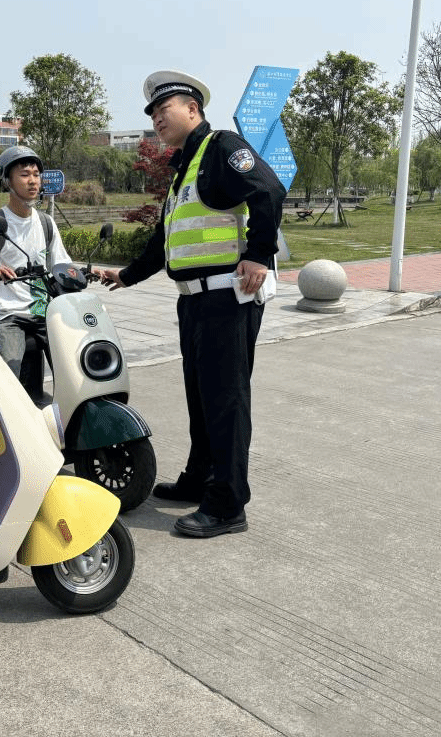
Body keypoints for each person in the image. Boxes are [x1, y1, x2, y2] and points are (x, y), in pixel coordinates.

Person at [96, 70, 285, 538]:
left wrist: (260, 253)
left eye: (164, 109)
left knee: (226, 402)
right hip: (195, 303)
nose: (157, 119)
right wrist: (127, 275)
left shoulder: (221, 147)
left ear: (193, 109)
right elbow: (167, 239)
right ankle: (200, 479)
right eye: (153, 114)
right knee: (201, 399)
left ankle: (227, 505)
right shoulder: (185, 166)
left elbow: (269, 189)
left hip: (226, 298)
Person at [0, 145, 71, 403]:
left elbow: (61, 263)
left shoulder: (46, 223)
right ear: (7, 181)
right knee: (9, 372)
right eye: (24, 175)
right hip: (7, 313)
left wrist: (88, 272)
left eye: (36, 174)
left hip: (43, 310)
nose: (33, 181)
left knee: (73, 365)